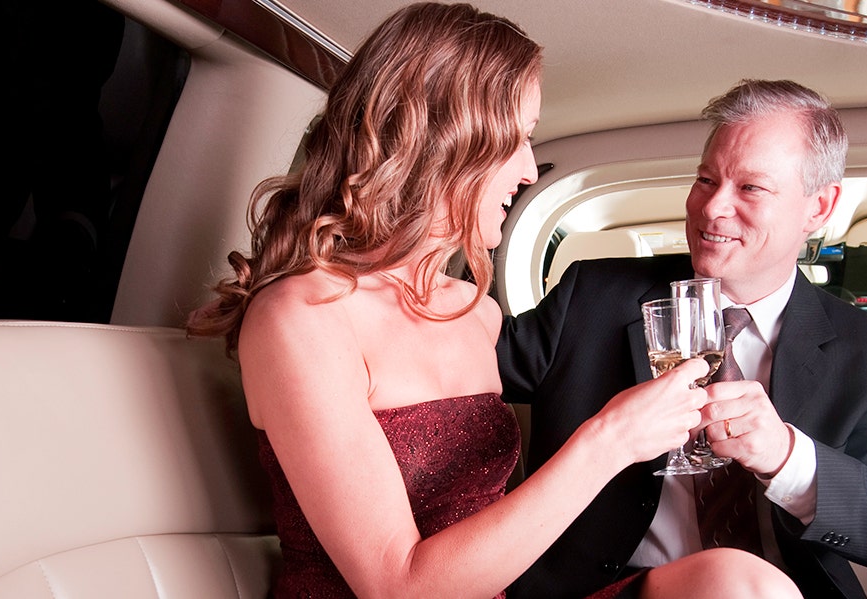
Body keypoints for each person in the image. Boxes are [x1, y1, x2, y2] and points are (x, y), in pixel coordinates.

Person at [189, 5, 800, 598]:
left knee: (743, 583)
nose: (531, 169)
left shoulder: (473, 310)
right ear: (444, 146)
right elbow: (397, 586)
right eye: (519, 140)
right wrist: (609, 440)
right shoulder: (302, 318)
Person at [498, 79, 867, 599]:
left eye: (750, 188)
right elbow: (454, 371)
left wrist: (784, 455)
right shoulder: (590, 297)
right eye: (706, 179)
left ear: (818, 208)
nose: (712, 208)